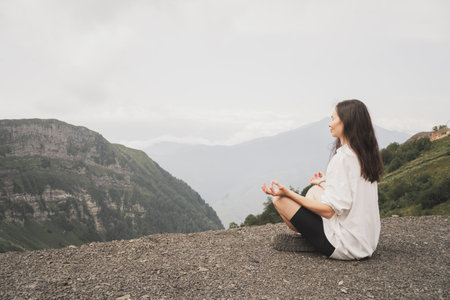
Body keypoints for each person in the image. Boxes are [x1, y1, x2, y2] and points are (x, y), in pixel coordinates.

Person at [262, 99, 384, 260]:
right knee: (314, 190)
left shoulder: (342, 159)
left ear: (346, 121)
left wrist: (288, 194)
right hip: (365, 242)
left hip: (345, 245)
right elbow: (350, 197)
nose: (330, 124)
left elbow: (329, 211)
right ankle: (313, 235)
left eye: (333, 118)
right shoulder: (363, 155)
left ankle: (311, 240)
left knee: (279, 200)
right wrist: (324, 183)